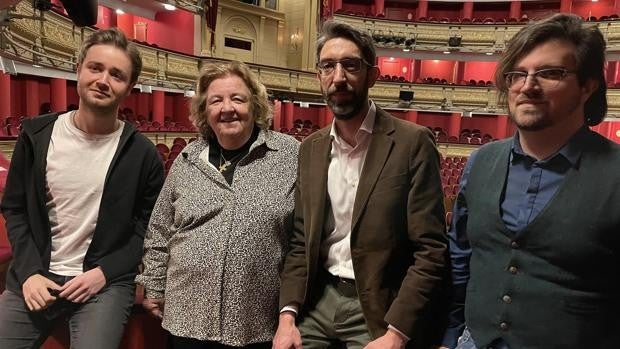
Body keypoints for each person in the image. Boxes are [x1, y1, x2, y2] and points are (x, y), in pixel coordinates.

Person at [440, 14, 619, 349]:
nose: (528, 85)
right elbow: (461, 256)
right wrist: (450, 336)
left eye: (550, 73)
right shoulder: (480, 162)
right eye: (517, 74)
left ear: (588, 86)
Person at [274, 20, 449, 349]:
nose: (338, 77)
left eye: (350, 65)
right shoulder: (310, 148)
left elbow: (431, 250)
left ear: (372, 75)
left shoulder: (412, 143)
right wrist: (287, 316)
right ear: (319, 76)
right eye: (328, 66)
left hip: (378, 309)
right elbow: (301, 241)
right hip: (319, 299)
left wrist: (396, 334)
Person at [0, 27, 165, 348]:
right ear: (78, 70)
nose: (103, 80)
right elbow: (15, 209)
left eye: (117, 75)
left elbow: (149, 228)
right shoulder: (35, 135)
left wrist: (105, 272)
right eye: (95, 68)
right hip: (34, 277)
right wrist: (31, 272)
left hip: (103, 284)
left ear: (129, 87)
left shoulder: (142, 153)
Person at [136, 61, 299, 349]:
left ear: (256, 105)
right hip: (187, 318)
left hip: (257, 321)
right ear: (204, 111)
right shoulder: (188, 158)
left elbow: (305, 237)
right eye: (216, 100)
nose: (227, 108)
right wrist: (154, 283)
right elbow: (160, 228)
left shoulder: (289, 154)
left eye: (238, 98)